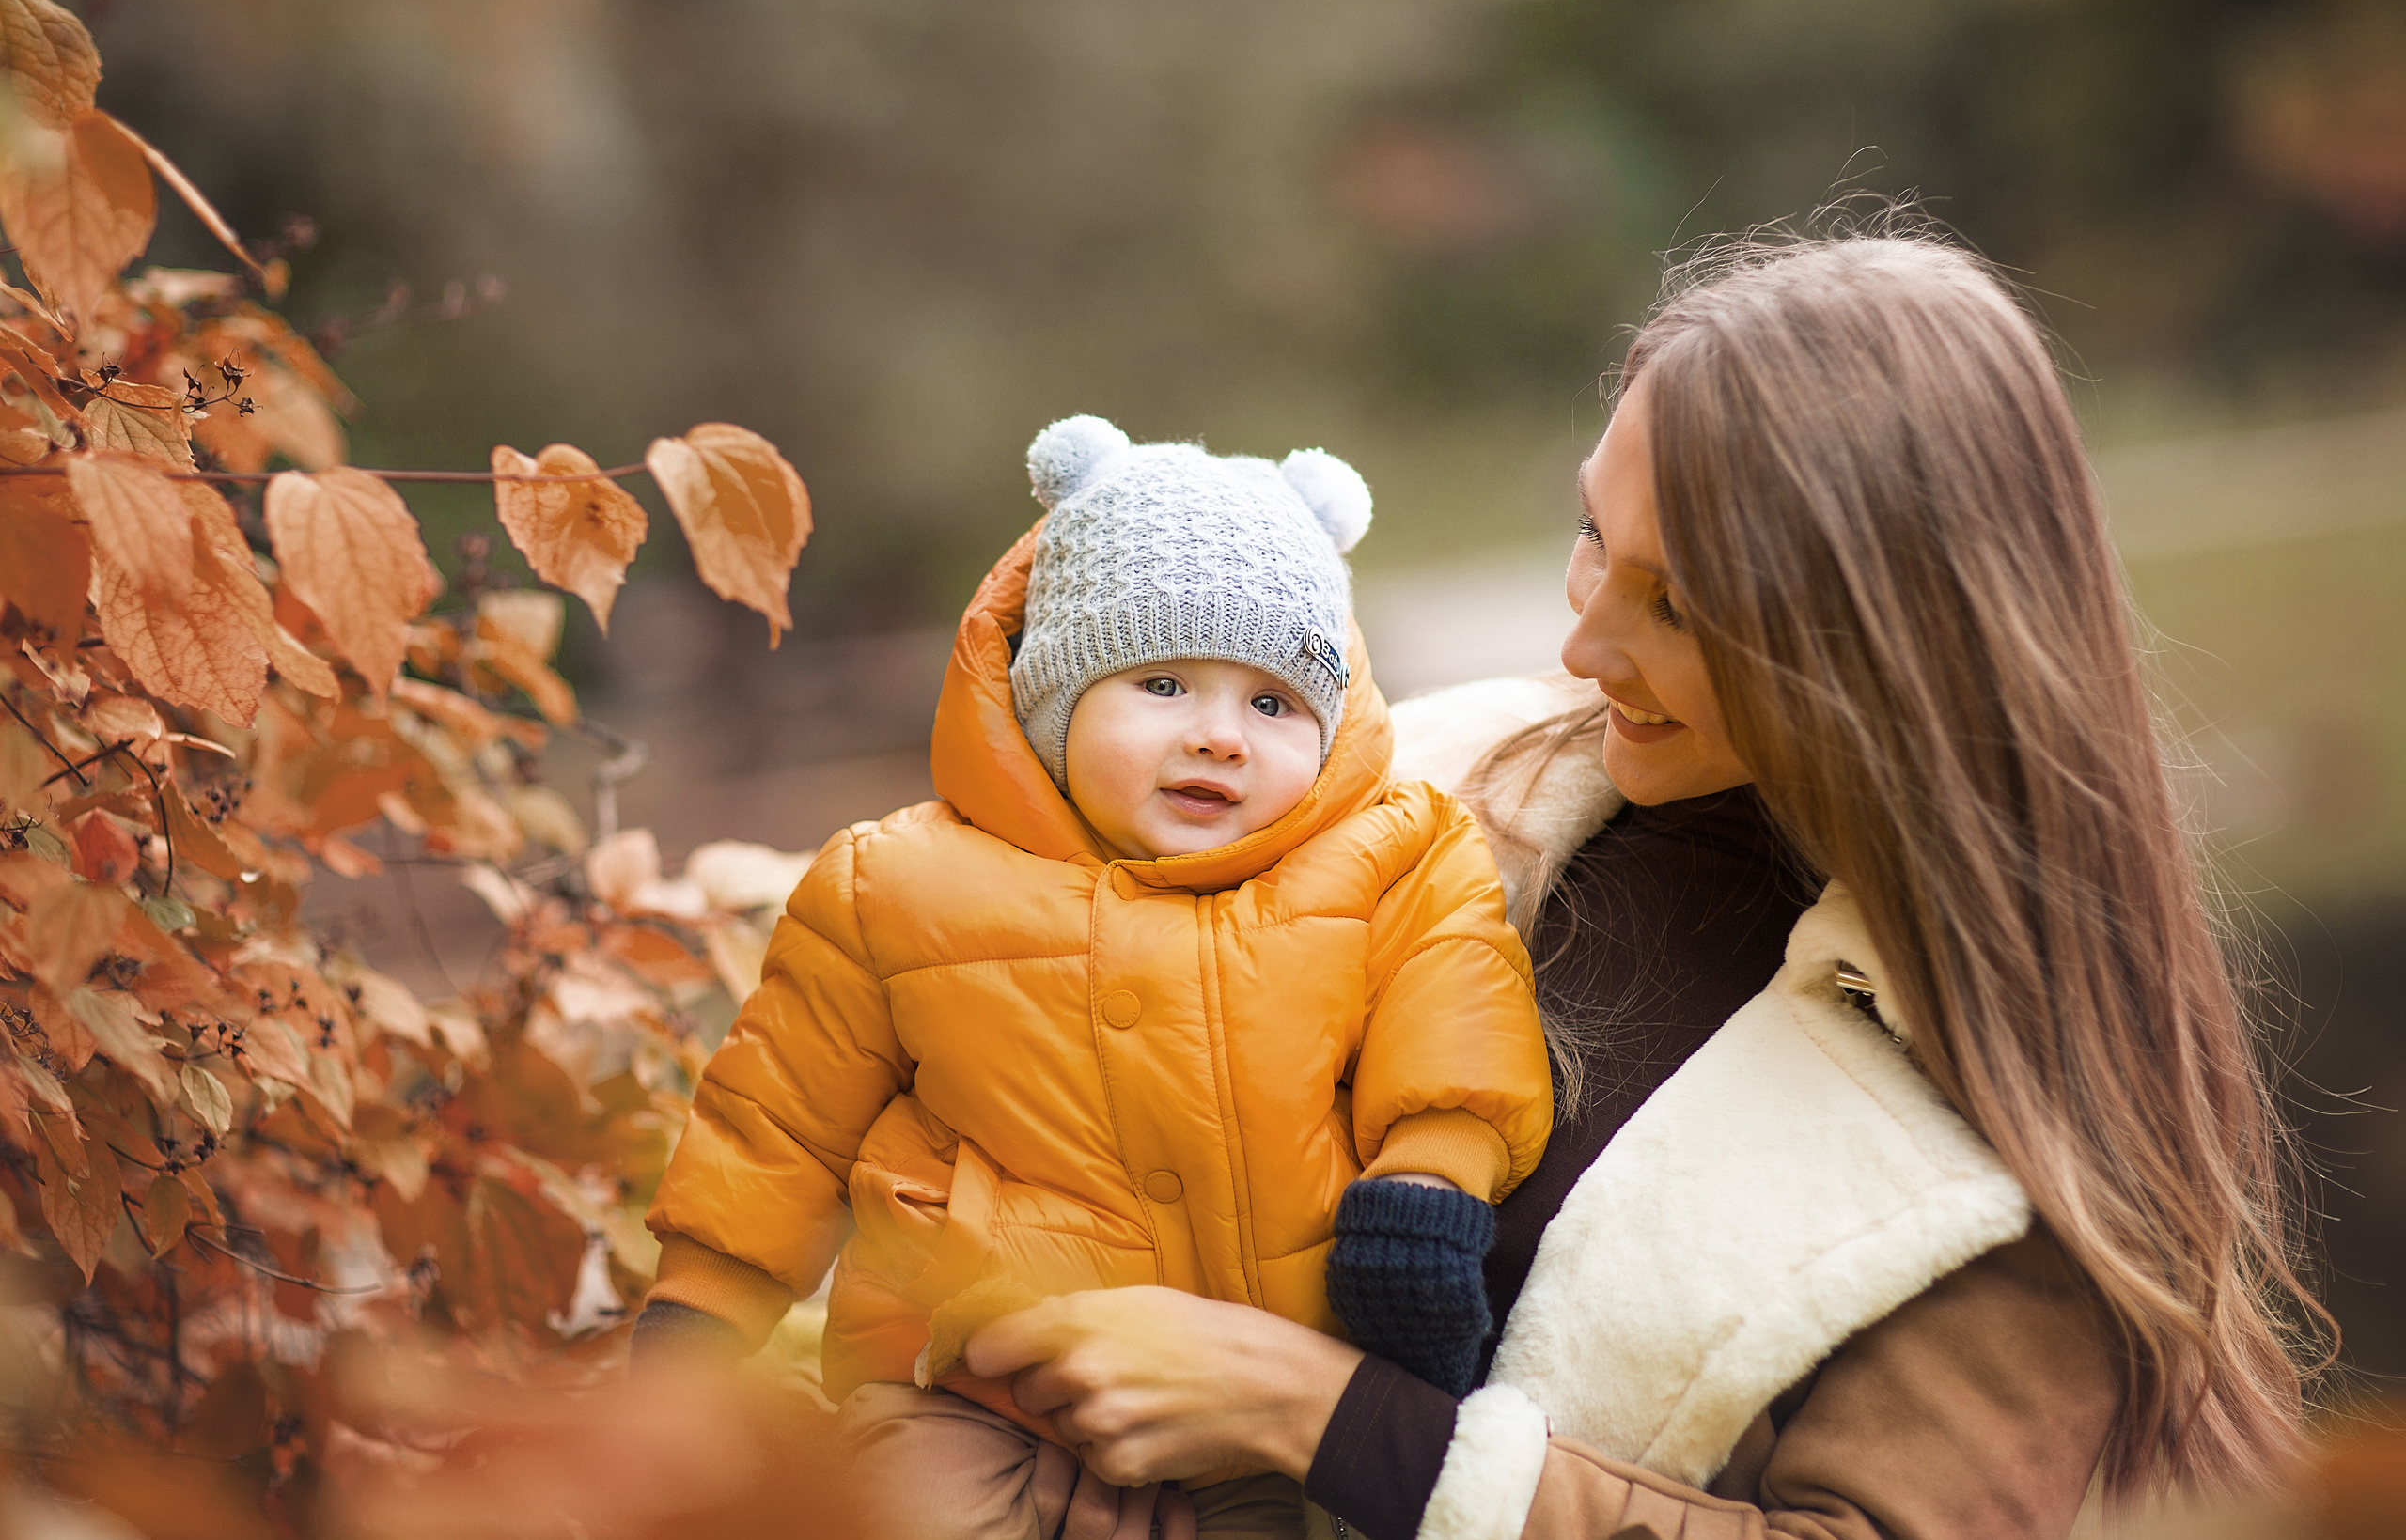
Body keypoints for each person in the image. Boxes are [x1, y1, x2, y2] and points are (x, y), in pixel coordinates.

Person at [962, 228, 2330, 1539]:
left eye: (1678, 606)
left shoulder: (2014, 1137)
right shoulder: (1431, 775)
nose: (1583, 641)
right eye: (1591, 534)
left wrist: (1304, 1411)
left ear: (1879, 649)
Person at [633, 417, 1555, 1536]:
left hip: (1253, 1417)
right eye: (1162, 682)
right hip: (970, 1397)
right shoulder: (896, 885)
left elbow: (1457, 1022)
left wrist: (1425, 1190)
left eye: (1270, 704)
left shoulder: (1393, 858)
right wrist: (699, 1316)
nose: (1220, 736)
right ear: (1049, 695)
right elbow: (775, 1128)